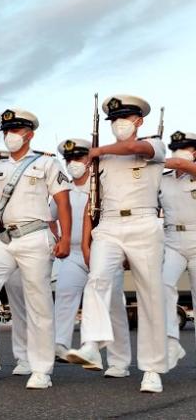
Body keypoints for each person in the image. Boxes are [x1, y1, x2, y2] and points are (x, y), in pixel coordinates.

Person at [0, 108, 72, 390]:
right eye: (6, 131)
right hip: (3, 239)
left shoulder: (47, 164)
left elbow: (62, 202)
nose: (10, 135)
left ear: (29, 134)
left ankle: (42, 369)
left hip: (35, 236)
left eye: (15, 130)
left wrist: (65, 237)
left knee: (38, 303)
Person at [66, 95, 168, 393]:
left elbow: (135, 148)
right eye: (113, 120)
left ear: (139, 121)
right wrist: (87, 243)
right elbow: (91, 201)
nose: (118, 124)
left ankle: (152, 369)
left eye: (124, 118)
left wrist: (97, 150)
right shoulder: (102, 160)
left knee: (150, 296)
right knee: (97, 280)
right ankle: (91, 344)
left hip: (143, 222)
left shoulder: (154, 144)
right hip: (109, 225)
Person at [53, 138, 131, 377]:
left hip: (105, 252)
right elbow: (50, 217)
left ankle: (119, 363)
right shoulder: (63, 189)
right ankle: (59, 344)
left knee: (113, 306)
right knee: (64, 293)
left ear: (90, 159)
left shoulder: (102, 186)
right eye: (68, 159)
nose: (73, 163)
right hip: (74, 253)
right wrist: (58, 239)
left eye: (78, 157)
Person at [159, 131, 196, 368]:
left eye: (186, 147)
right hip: (172, 239)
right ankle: (171, 342)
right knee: (162, 286)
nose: (180, 152)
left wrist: (151, 160)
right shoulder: (164, 179)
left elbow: (182, 164)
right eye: (176, 147)